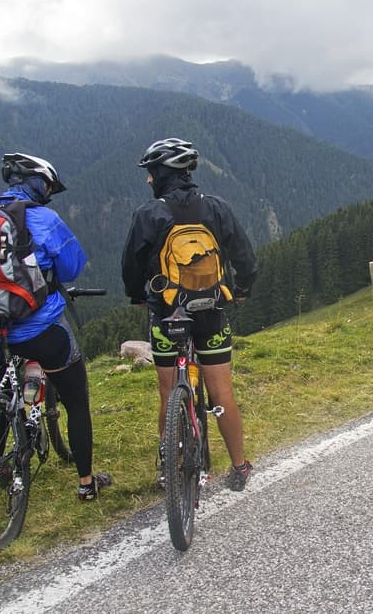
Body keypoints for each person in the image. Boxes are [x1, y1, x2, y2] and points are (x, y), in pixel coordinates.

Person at [121, 138, 258, 492]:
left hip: (168, 316)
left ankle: (171, 468)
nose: (149, 180)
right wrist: (241, 290)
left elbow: (130, 267)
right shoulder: (217, 208)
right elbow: (245, 257)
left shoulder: (148, 215)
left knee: (169, 394)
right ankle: (240, 466)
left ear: (163, 174)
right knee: (221, 391)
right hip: (211, 310)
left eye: (151, 173)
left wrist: (139, 296)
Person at [0, 153, 111, 501]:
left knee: (1, 385)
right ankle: (86, 484)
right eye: (50, 187)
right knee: (76, 402)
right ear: (39, 184)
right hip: (40, 328)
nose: (51, 194)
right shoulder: (43, 218)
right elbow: (71, 270)